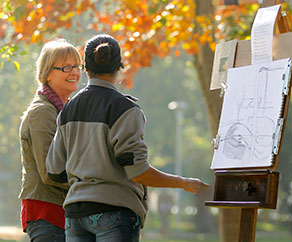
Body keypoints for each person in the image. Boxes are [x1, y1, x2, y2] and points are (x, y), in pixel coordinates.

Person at [46, 34, 209, 242]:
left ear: (85, 68)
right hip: (115, 211)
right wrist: (184, 183)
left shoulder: (68, 109)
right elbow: (138, 172)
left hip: (76, 216)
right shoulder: (125, 110)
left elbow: (54, 170)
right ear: (119, 68)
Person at [18, 39, 83, 241]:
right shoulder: (42, 112)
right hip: (46, 212)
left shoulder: (66, 110)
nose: (74, 72)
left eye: (77, 66)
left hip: (64, 210)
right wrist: (90, 184)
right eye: (65, 67)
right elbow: (49, 172)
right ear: (47, 73)